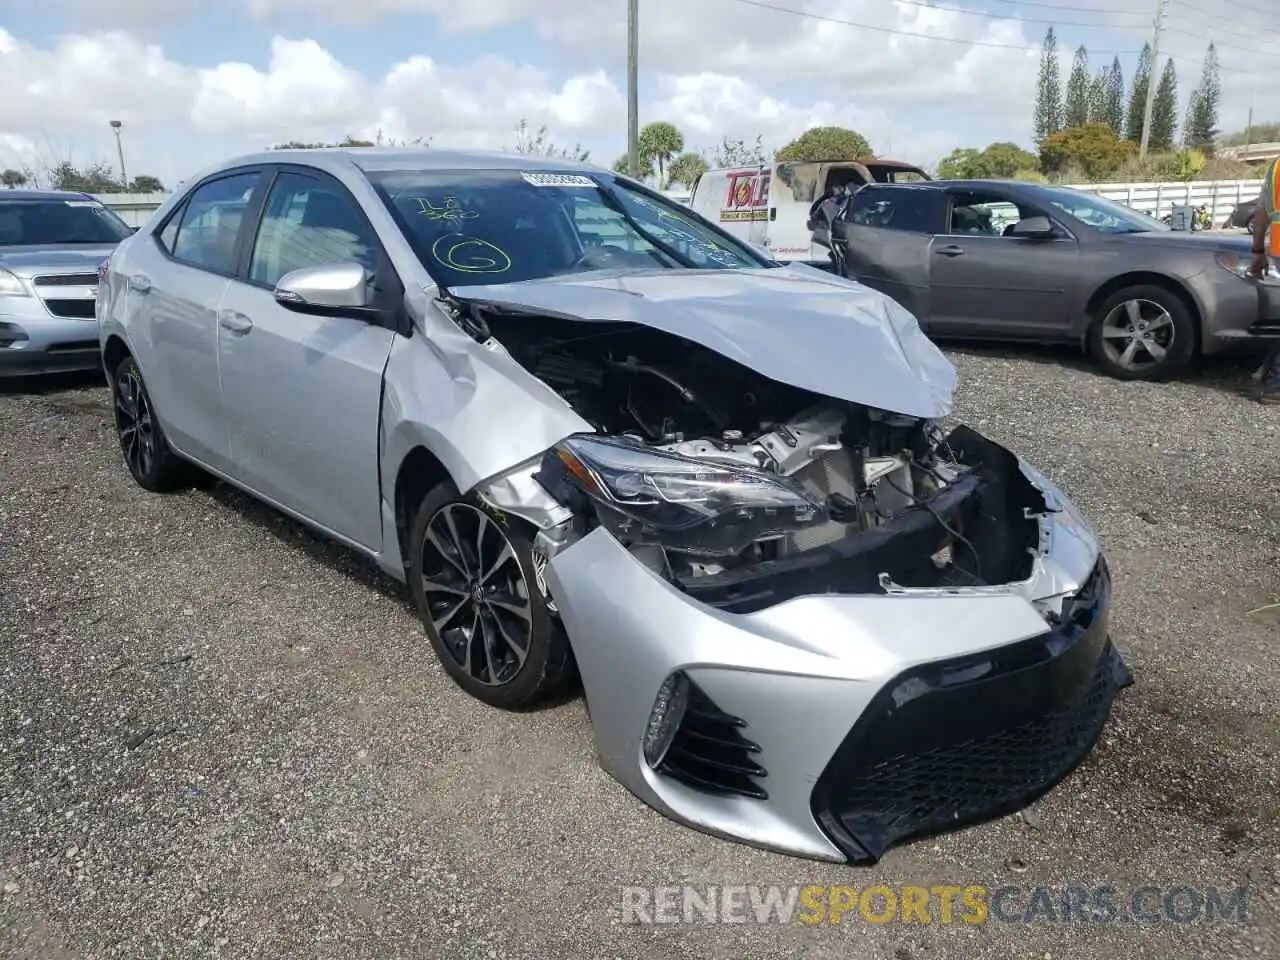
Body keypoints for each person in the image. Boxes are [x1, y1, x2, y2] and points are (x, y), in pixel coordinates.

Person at [1249, 155, 1280, 404]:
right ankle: (1275, 386)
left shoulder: (1277, 165)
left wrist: (1258, 251)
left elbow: (1261, 211)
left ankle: (1265, 374)